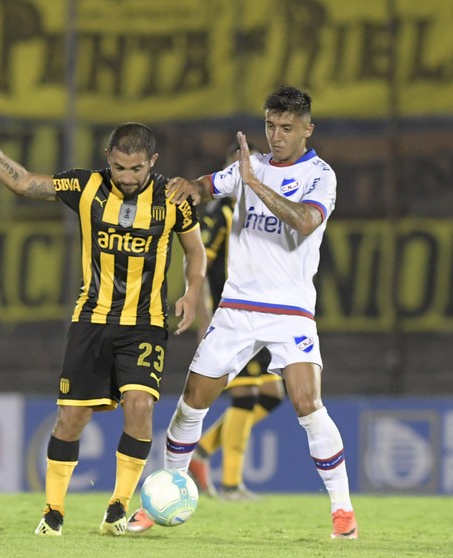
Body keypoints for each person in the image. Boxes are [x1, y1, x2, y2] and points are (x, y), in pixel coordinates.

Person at [0, 100, 206, 537]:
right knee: (71, 417)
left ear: (154, 162)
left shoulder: (173, 199)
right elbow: (27, 184)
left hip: (146, 322)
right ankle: (53, 511)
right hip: (91, 318)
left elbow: (196, 253)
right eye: (119, 167)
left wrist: (192, 291)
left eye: (136, 168)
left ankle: (118, 507)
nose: (127, 177)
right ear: (107, 159)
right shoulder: (87, 186)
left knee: (141, 405)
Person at [128, 85, 358, 539]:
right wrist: (186, 188)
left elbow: (305, 221)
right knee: (193, 399)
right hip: (236, 307)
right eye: (270, 126)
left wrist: (253, 183)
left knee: (307, 403)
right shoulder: (248, 168)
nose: (276, 136)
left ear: (307, 129)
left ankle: (343, 512)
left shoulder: (320, 176)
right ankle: (162, 497)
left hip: (290, 310)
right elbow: (206, 187)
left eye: (287, 128)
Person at [188, 140, 285, 501]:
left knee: (275, 392)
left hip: (265, 316)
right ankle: (231, 483)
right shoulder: (219, 214)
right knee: (244, 393)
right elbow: (198, 265)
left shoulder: (262, 214)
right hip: (233, 318)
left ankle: (201, 453)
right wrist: (205, 318)